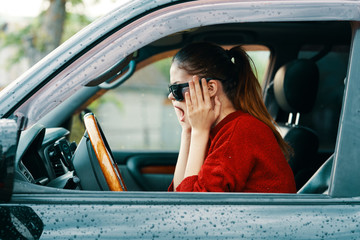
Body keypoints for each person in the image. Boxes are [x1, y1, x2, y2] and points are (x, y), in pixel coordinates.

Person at [167, 42, 296, 193]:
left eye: (176, 89)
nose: (171, 96)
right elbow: (176, 197)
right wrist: (188, 131)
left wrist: (198, 131)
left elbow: (190, 208)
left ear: (210, 88)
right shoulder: (220, 129)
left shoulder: (241, 132)